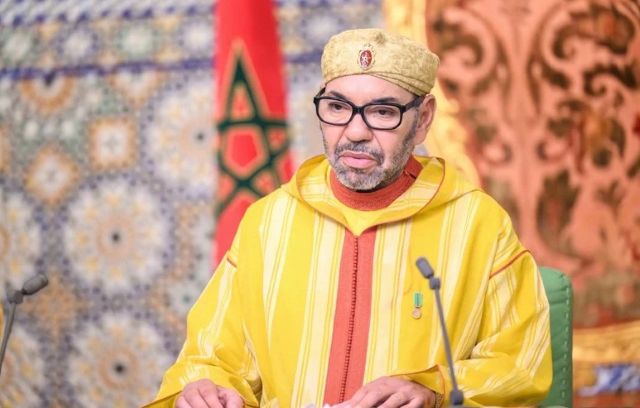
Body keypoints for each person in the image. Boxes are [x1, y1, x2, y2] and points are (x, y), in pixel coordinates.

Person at [146, 28, 551, 408]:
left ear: (424, 118)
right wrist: (205, 389)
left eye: (382, 111)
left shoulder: (478, 223)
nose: (355, 132)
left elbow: (520, 363)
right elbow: (212, 359)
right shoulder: (268, 222)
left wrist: (435, 387)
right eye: (338, 107)